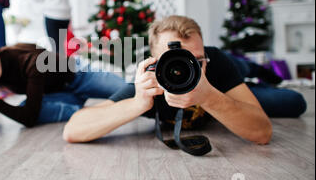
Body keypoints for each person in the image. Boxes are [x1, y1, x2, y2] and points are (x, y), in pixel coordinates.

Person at [63, 15, 306, 144]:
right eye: (174, 62)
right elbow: (73, 130)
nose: (185, 68)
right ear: (154, 63)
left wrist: (209, 96)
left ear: (204, 56)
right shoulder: (151, 83)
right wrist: (138, 103)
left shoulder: (214, 63)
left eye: (196, 59)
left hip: (222, 82)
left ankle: (255, 70)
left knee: (293, 102)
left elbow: (262, 133)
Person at [0, 36, 126, 129]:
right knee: (27, 108)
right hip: (58, 94)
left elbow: (28, 119)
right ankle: (90, 112)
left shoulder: (28, 60)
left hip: (80, 74)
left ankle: (93, 112)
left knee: (129, 93)